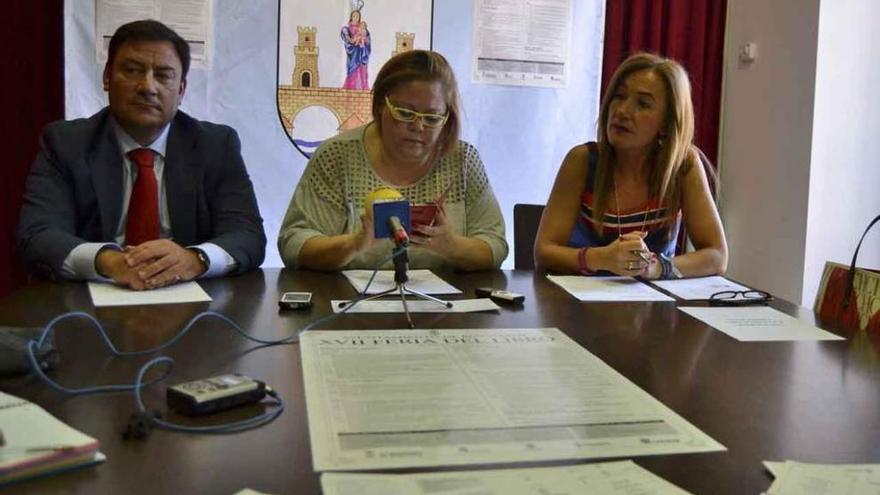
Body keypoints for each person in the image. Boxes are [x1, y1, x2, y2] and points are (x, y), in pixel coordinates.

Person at [18, 20, 265, 290]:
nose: (148, 87)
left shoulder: (215, 145)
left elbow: (247, 235)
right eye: (133, 70)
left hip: (189, 304)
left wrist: (194, 259)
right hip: (89, 305)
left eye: (163, 75)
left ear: (181, 90)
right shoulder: (66, 143)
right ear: (106, 78)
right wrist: (110, 262)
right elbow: (38, 235)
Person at [279, 50, 507, 271]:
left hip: (445, 306)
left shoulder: (463, 160)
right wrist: (354, 244)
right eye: (405, 113)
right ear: (380, 106)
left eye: (432, 118)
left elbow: (495, 247)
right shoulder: (337, 156)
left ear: (447, 118)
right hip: (348, 302)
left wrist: (451, 246)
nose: (418, 127)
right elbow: (294, 244)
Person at [534, 53, 727, 279]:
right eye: (619, 96)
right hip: (577, 303)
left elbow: (717, 255)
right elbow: (543, 253)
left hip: (651, 305)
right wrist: (601, 258)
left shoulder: (683, 165)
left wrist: (657, 267)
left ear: (666, 124)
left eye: (643, 104)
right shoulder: (582, 160)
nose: (622, 111)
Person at [341, 10, 371, 90]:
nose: (355, 18)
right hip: (353, 55)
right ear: (351, 17)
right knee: (352, 71)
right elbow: (349, 41)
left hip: (361, 54)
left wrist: (363, 40)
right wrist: (355, 40)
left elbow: (367, 41)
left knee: (362, 72)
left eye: (357, 16)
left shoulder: (363, 28)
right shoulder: (347, 29)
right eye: (354, 16)